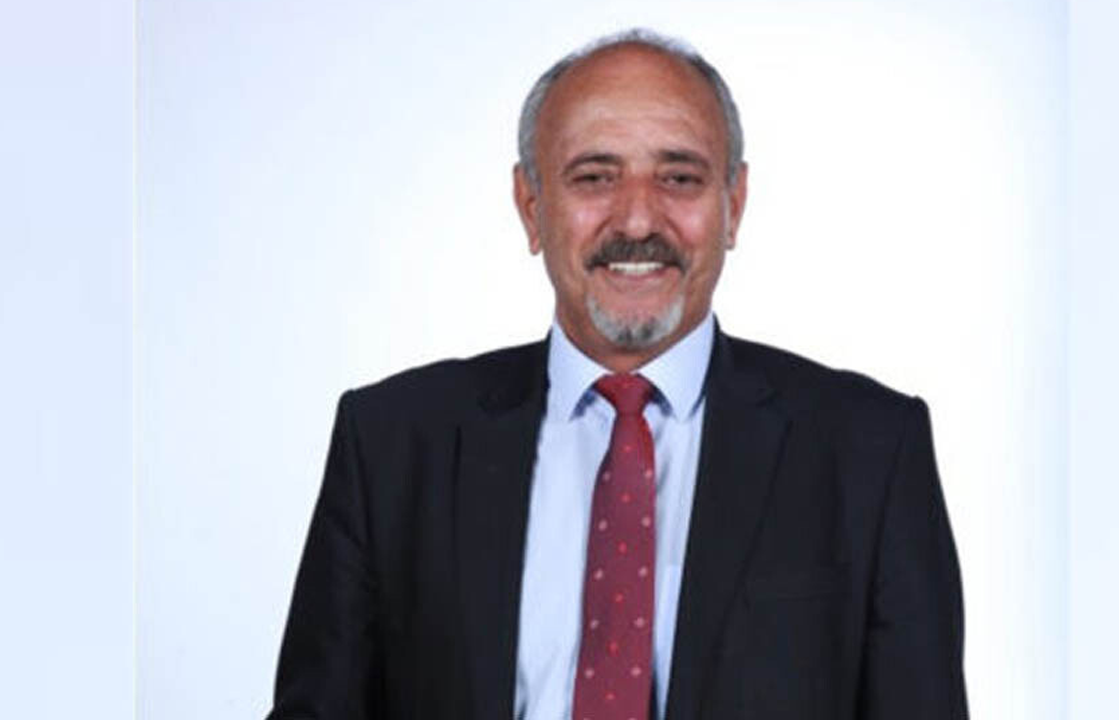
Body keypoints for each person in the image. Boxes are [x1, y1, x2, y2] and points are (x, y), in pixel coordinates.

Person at [267, 28, 967, 720]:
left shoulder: (870, 451)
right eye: (595, 177)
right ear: (532, 207)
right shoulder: (391, 445)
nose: (636, 219)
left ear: (734, 204)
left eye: (679, 178)